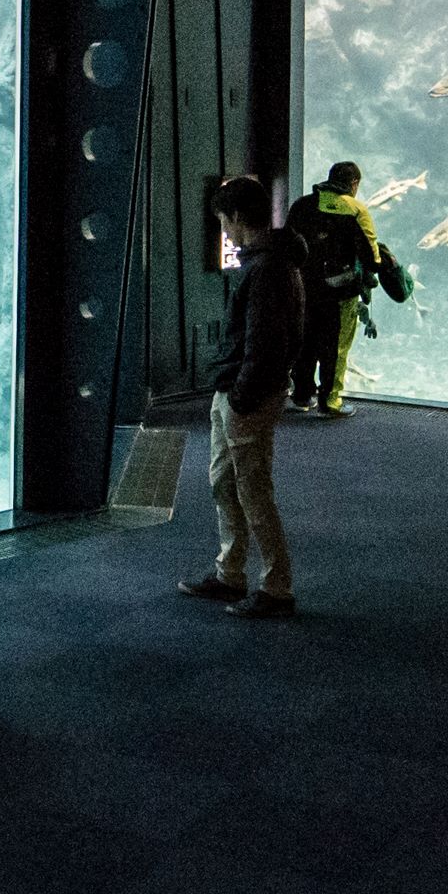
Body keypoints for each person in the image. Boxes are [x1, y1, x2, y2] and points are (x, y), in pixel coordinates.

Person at [179, 173, 303, 617]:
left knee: (253, 491)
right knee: (224, 484)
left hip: (247, 396)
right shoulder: (264, 261)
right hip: (234, 390)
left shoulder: (269, 268)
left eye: (223, 222)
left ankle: (277, 588)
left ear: (235, 217)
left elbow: (266, 344)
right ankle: (230, 574)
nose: (224, 231)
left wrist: (240, 398)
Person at [284, 162, 380, 417]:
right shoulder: (356, 209)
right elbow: (372, 257)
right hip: (340, 293)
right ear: (354, 184)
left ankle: (302, 396)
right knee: (335, 348)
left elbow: (288, 245)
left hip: (304, 289)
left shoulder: (301, 205)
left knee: (305, 343)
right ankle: (331, 401)